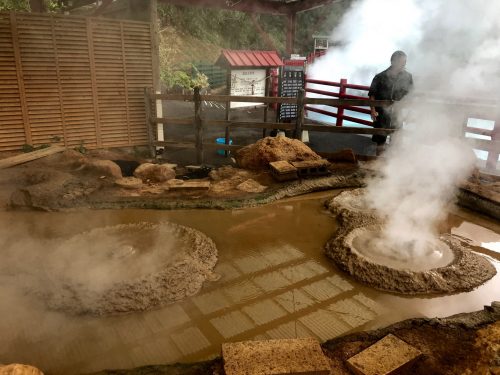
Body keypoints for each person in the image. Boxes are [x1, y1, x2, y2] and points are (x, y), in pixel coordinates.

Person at [368, 50, 413, 154]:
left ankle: (392, 166)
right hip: (382, 113)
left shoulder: (408, 77)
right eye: (401, 62)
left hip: (398, 113)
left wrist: (409, 112)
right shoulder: (380, 76)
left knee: (396, 141)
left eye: (404, 62)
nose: (403, 64)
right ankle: (377, 162)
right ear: (393, 61)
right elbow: (372, 95)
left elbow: (410, 95)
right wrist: (373, 110)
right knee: (380, 141)